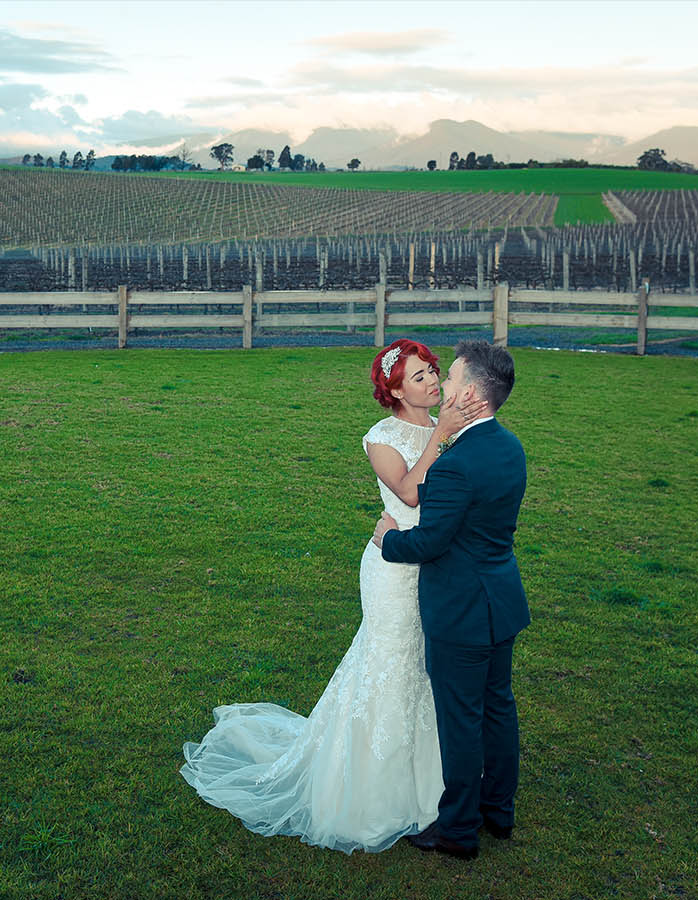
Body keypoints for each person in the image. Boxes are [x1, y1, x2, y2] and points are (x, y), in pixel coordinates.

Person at [178, 338, 488, 854]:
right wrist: (443, 434)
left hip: (438, 564)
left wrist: (452, 430)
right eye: (419, 377)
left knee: (429, 669)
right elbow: (410, 492)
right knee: (391, 663)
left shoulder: (451, 426)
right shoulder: (381, 437)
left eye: (434, 371)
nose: (434, 382)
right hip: (392, 570)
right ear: (393, 390)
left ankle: (439, 782)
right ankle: (376, 793)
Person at [374, 339, 528, 862]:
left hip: (460, 610)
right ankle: (499, 812)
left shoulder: (457, 463)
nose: (445, 387)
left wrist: (386, 539)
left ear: (475, 398)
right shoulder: (510, 447)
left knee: (461, 719)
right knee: (498, 708)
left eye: (453, 379)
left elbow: (429, 542)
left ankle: (459, 829)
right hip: (500, 601)